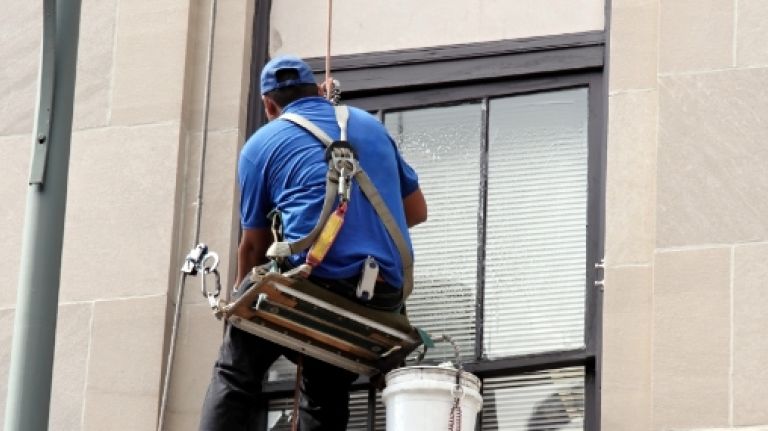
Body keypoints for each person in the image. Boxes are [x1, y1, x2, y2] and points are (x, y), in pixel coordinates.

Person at [198, 55, 427, 431]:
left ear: (268, 105)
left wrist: (241, 314)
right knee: (325, 388)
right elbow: (416, 212)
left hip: (316, 280)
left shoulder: (261, 145)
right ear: (317, 93)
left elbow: (253, 246)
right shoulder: (371, 126)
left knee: (235, 371)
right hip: (382, 297)